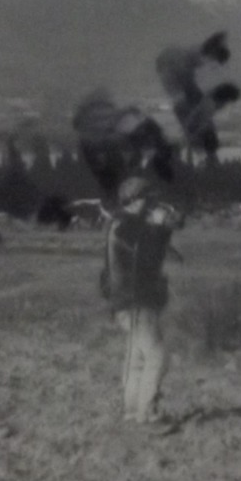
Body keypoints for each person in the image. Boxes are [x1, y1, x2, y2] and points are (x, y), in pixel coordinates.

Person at [100, 177, 177, 423]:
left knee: (136, 358)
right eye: (148, 199)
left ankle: (132, 409)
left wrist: (158, 229)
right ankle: (148, 412)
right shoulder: (128, 225)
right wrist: (162, 229)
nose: (153, 204)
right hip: (136, 301)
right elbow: (148, 259)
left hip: (124, 302)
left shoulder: (120, 223)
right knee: (157, 355)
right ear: (133, 200)